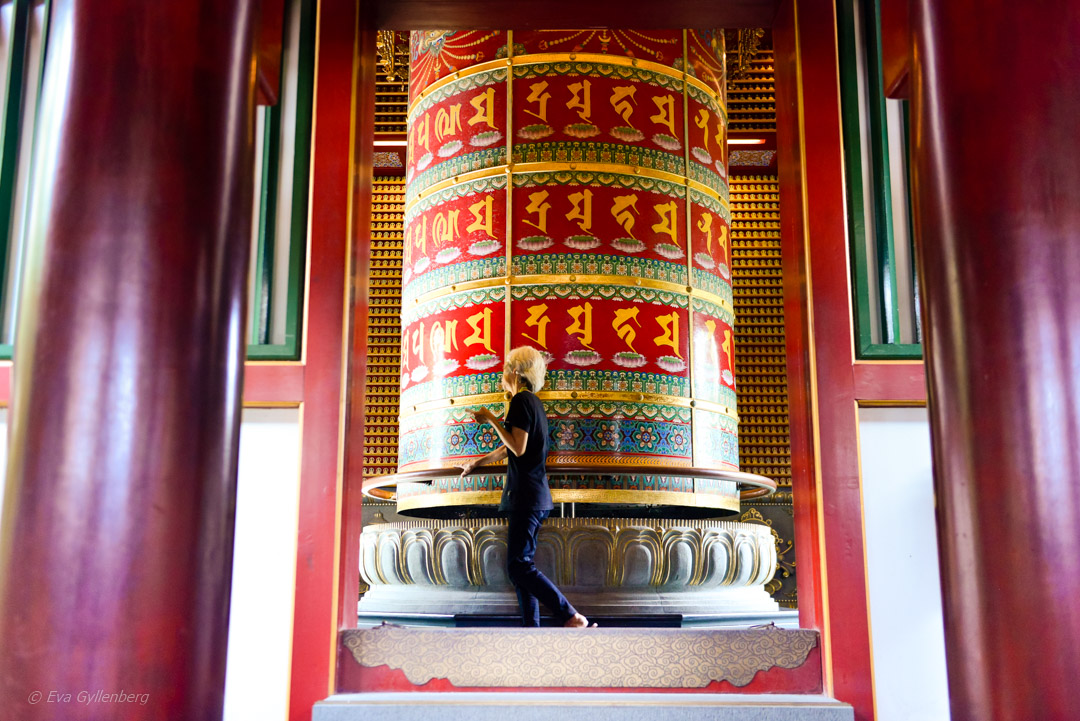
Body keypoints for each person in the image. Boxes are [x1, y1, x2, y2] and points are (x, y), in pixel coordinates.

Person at [458, 346, 593, 628]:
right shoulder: (532, 402)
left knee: (519, 567)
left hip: (526, 497)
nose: (502, 373)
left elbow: (517, 448)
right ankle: (531, 630)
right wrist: (477, 463)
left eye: (506, 367)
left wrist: (491, 419)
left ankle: (570, 615)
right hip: (534, 495)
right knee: (522, 568)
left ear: (516, 373)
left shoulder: (520, 401)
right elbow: (510, 447)